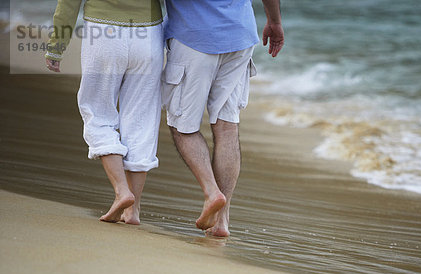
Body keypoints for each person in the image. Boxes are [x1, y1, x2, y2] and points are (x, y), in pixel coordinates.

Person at [162, 0, 284, 237]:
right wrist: (275, 21)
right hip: (240, 36)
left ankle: (212, 192)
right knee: (227, 128)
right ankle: (222, 219)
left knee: (182, 127)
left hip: (193, 38)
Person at [45, 0, 164, 225]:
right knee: (141, 119)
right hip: (149, 34)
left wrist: (56, 45)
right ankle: (133, 210)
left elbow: (68, 4)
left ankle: (122, 191)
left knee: (97, 112)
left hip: (104, 32)